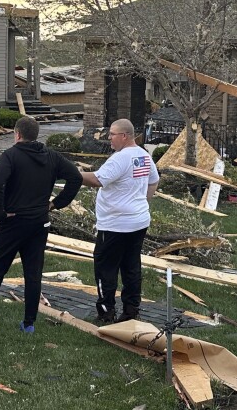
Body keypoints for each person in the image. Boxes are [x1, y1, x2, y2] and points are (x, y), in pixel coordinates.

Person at [0, 116, 82, 333]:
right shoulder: (51, 156)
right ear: (35, 135)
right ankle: (29, 324)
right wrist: (56, 204)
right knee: (33, 272)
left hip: (14, 221)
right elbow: (75, 177)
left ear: (17, 134)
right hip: (39, 223)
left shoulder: (10, 156)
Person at [81, 119, 159, 323]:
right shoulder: (143, 155)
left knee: (105, 268)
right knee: (131, 266)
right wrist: (142, 202)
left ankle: (106, 311)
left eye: (112, 134)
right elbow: (154, 180)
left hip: (115, 225)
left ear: (124, 136)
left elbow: (97, 180)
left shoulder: (121, 158)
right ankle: (131, 310)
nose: (109, 138)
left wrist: (71, 174)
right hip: (138, 222)